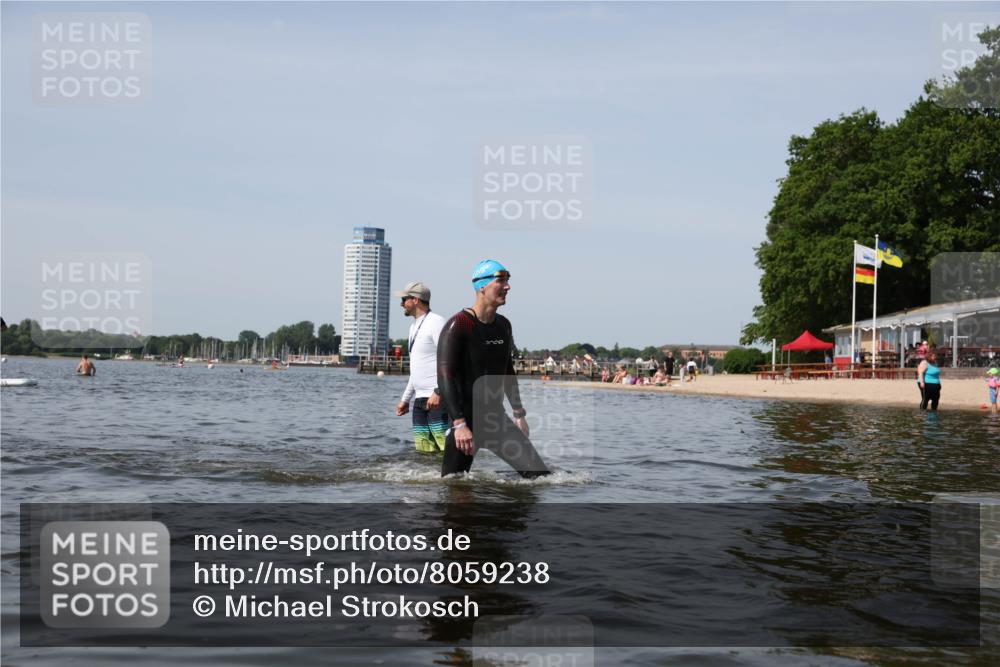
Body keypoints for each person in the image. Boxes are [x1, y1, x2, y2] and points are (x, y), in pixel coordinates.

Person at [437, 260, 550, 478]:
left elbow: (507, 371)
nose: (507, 287)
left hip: (496, 420)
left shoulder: (503, 325)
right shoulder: (458, 325)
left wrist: (519, 413)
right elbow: (445, 377)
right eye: (501, 280)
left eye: (508, 281)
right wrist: (459, 424)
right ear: (482, 286)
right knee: (454, 487)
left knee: (540, 477)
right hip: (465, 423)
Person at [394, 281, 449, 453]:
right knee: (424, 450)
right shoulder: (413, 327)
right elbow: (416, 370)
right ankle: (430, 480)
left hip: (438, 399)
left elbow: (450, 359)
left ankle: (453, 480)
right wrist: (405, 399)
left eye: (404, 299)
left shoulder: (436, 322)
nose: (401, 303)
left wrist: (439, 391)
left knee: (445, 449)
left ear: (416, 300)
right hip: (419, 400)